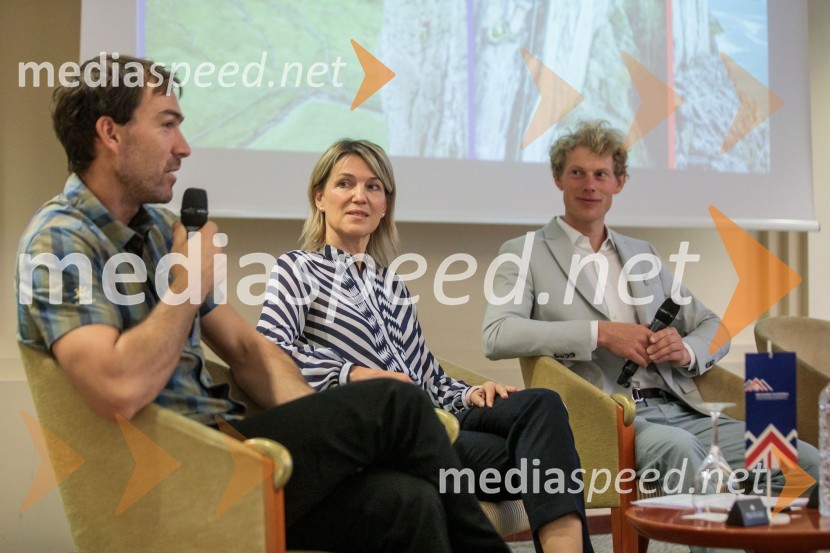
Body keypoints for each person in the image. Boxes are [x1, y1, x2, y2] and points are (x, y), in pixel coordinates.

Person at [16, 54, 511, 553]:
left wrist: (333, 427)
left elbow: (249, 353)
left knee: (408, 501)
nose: (184, 148)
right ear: (112, 133)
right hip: (169, 475)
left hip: (228, 444)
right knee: (398, 403)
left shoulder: (162, 232)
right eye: (167, 125)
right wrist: (187, 287)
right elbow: (115, 387)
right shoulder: (61, 242)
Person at [257, 138, 593, 553]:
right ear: (319, 197)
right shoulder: (297, 269)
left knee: (542, 406)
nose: (360, 196)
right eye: (345, 184)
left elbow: (426, 377)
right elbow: (271, 348)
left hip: (436, 416)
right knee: (538, 458)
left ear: (385, 205)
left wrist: (469, 393)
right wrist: (352, 373)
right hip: (384, 434)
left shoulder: (392, 284)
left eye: (374, 187)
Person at [481, 120, 820, 507]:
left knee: (804, 461)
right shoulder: (525, 252)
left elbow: (714, 326)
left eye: (601, 174)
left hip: (680, 406)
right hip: (608, 414)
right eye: (577, 173)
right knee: (685, 451)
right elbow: (497, 334)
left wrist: (686, 350)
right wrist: (601, 333)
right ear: (558, 178)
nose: (589, 185)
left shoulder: (642, 253)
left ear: (619, 183)